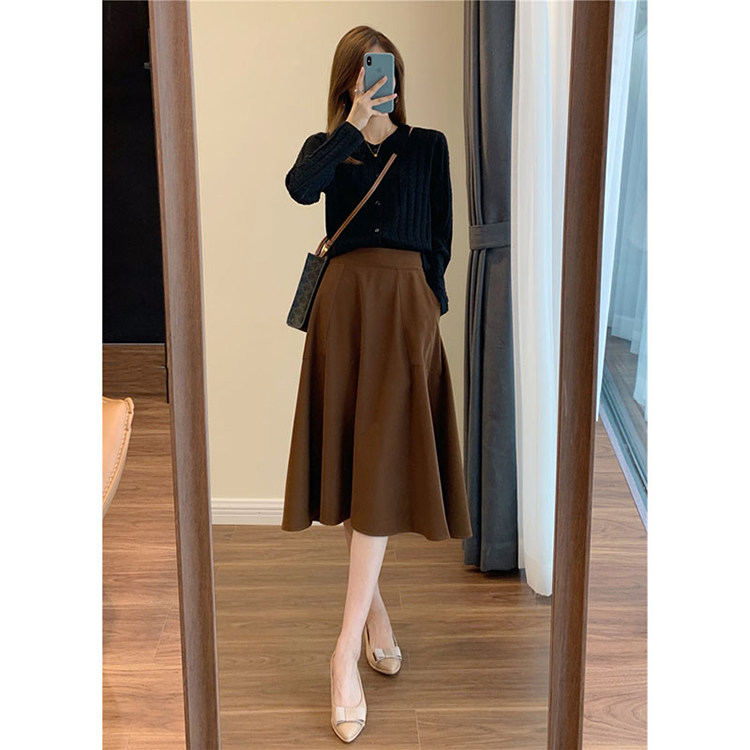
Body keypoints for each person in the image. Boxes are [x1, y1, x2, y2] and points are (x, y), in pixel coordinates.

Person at [281, 26, 473, 743]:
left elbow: (442, 237)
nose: (376, 81)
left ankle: (343, 651)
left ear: (396, 76)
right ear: (348, 81)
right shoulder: (328, 150)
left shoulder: (429, 147)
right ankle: (369, 623)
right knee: (359, 459)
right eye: (363, 74)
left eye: (383, 72)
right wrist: (351, 125)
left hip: (404, 312)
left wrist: (427, 304)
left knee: (383, 460)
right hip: (346, 311)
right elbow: (300, 189)